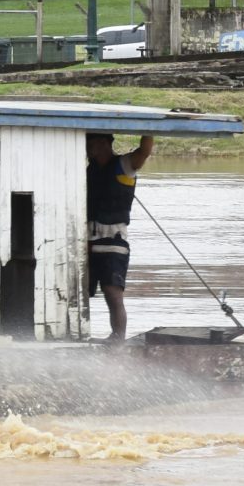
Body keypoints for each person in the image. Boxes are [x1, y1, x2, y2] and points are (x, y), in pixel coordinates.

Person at [86, 130, 155, 342]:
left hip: (113, 241)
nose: (85, 147)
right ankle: (80, 333)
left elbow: (144, 152)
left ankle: (118, 339)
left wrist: (149, 128)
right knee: (81, 293)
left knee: (112, 292)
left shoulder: (124, 164)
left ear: (102, 142)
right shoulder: (89, 170)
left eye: (88, 142)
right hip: (87, 242)